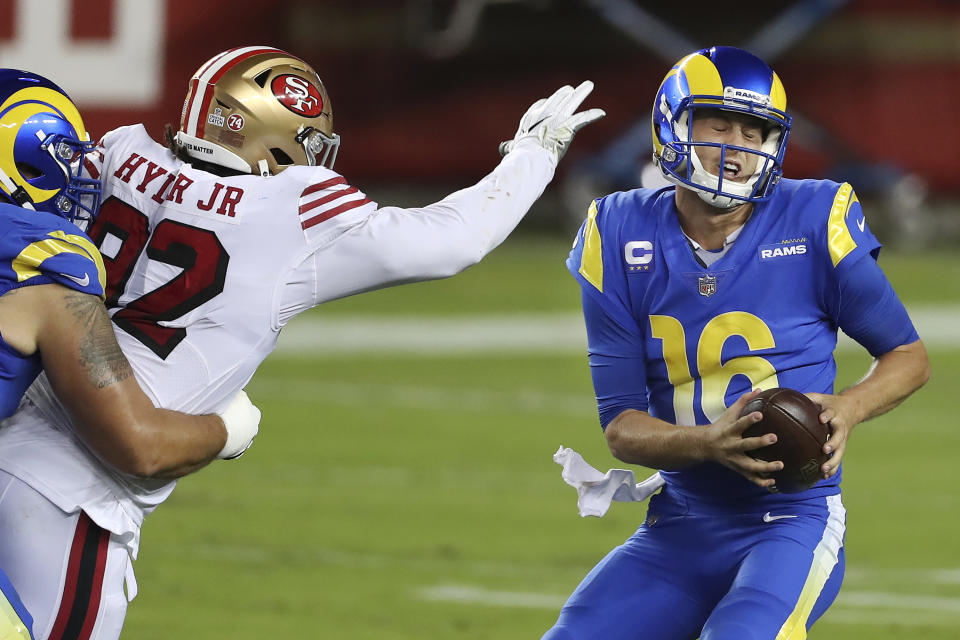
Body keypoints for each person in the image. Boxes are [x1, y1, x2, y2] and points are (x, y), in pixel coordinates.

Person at [0, 46, 604, 639]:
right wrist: (534, 154)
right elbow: (454, 240)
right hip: (80, 498)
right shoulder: (296, 206)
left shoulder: (119, 152)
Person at [545, 46, 930, 640]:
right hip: (680, 524)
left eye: (754, 132)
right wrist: (707, 442)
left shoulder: (814, 218)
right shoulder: (618, 232)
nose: (737, 148)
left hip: (792, 521)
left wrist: (848, 408)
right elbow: (621, 426)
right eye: (718, 125)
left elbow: (907, 355)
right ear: (673, 127)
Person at [0, 69, 262, 639]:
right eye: (62, 158)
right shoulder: (48, 260)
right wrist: (228, 429)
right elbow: (135, 443)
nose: (79, 174)